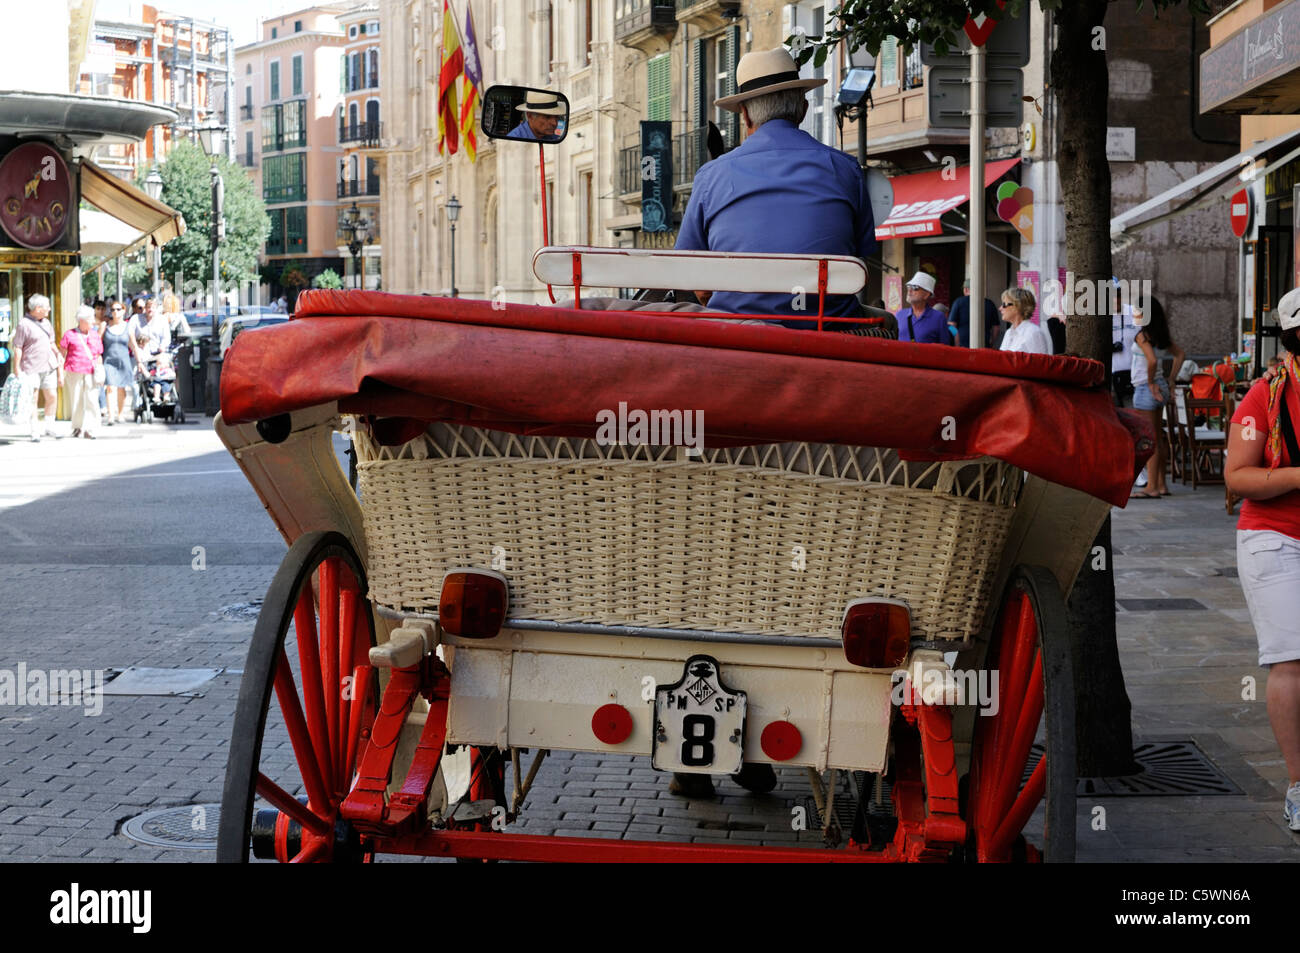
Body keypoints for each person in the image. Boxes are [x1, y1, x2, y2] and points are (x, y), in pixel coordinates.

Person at [674, 47, 878, 330]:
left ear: (744, 116)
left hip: (737, 332)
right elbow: (859, 252)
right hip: (828, 331)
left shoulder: (712, 175)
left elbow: (689, 271)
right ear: (803, 110)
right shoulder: (845, 169)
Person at [1224, 285, 1300, 832]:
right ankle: (1299, 786)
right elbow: (1236, 477)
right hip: (1276, 538)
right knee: (1292, 659)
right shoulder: (1264, 397)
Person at [1129, 296, 1184, 500]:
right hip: (1159, 386)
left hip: (1146, 388)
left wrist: (1151, 382)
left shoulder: (1143, 336)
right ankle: (1161, 484)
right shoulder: (1160, 335)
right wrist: (1170, 379)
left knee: (1149, 438)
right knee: (1158, 438)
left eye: (1138, 311)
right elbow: (1180, 354)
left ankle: (1151, 486)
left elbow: (1151, 361)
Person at [9, 293, 61, 441]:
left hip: (49, 365)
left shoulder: (46, 323)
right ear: (38, 308)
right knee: (33, 398)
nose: (49, 309)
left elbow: (51, 342)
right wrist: (17, 368)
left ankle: (50, 425)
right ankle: (35, 429)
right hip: (31, 366)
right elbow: (18, 347)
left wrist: (58, 354)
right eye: (47, 307)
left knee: (52, 395)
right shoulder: (23, 324)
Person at [58, 305, 103, 439]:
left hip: (91, 372)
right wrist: (60, 374)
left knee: (92, 399)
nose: (93, 322)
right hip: (74, 371)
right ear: (81, 320)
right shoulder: (69, 334)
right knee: (76, 399)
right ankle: (77, 427)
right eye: (90, 319)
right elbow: (61, 355)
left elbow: (99, 354)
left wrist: (100, 373)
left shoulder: (95, 335)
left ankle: (90, 428)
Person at [101, 298, 142, 424]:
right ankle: (111, 416)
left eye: (118, 309)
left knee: (121, 388)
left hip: (124, 361)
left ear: (123, 311)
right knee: (110, 387)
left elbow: (133, 345)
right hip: (109, 361)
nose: (115, 312)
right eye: (112, 310)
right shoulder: (105, 326)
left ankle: (120, 414)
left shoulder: (128, 327)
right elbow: (97, 342)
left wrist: (139, 362)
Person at [895, 272, 950, 344]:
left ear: (926, 295)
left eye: (915, 287)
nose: (909, 290)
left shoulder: (938, 317)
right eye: (909, 286)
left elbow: (945, 348)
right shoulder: (899, 315)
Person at [997, 287, 1052, 355]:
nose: (1000, 308)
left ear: (1017, 306)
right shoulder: (1008, 333)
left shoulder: (1034, 333)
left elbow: (1040, 363)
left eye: (1004, 304)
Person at [949, 276, 998, 349]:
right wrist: (991, 342)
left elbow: (951, 325)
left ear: (966, 289)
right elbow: (996, 327)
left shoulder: (958, 302)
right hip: (984, 347)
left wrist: (957, 342)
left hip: (963, 347)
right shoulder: (990, 304)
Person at [1112, 288, 1140, 406]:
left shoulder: (1134, 312)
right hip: (1112, 375)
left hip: (1135, 374)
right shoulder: (1099, 316)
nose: (1115, 300)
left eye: (1117, 295)